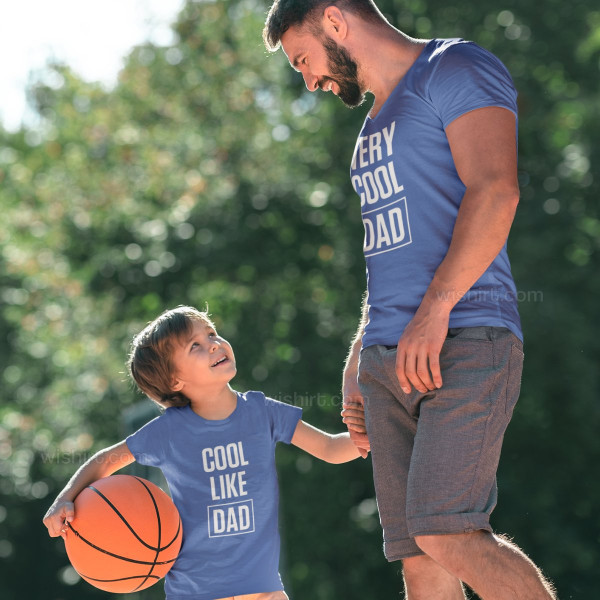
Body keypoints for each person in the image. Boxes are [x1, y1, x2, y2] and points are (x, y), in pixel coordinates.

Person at [263, 2, 557, 599]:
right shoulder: (371, 128)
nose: (309, 79)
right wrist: (358, 356)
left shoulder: (455, 67)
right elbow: (392, 254)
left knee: (447, 532)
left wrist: (434, 313)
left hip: (466, 336)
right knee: (421, 561)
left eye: (303, 59)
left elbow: (497, 191)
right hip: (388, 360)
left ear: (336, 22)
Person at [43, 305, 369, 600]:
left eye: (211, 334)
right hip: (196, 593)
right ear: (174, 380)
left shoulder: (263, 412)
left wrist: (374, 434)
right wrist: (64, 499)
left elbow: (329, 448)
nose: (213, 344)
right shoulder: (169, 432)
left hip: (265, 590)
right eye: (194, 346)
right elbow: (105, 461)